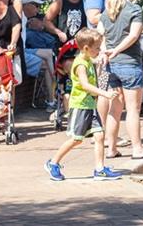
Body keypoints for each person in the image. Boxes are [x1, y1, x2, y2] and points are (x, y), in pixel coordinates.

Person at [45, 28, 123, 181]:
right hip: (80, 105)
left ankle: (99, 169)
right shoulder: (80, 64)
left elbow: (95, 66)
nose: (99, 50)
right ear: (86, 48)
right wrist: (105, 94)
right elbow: (86, 85)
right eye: (97, 48)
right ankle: (53, 163)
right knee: (77, 139)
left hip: (90, 105)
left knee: (100, 135)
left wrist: (101, 58)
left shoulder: (88, 60)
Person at [100, 0, 143, 161]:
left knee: (114, 109)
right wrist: (117, 50)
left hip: (112, 65)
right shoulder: (134, 10)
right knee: (133, 109)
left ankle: (111, 148)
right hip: (129, 63)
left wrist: (107, 52)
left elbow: (101, 35)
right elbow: (134, 36)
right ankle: (137, 148)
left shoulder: (107, 11)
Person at [84, 0, 127, 148]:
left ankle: (109, 135)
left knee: (113, 92)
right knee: (105, 91)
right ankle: (101, 133)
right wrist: (117, 17)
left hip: (109, 46)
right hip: (101, 47)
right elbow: (93, 16)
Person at [21, 0, 58, 111]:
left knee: (48, 55)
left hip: (24, 50)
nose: (38, 8)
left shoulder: (26, 19)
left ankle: (53, 99)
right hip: (18, 53)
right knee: (47, 59)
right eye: (35, 5)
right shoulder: (19, 17)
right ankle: (57, 93)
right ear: (26, 5)